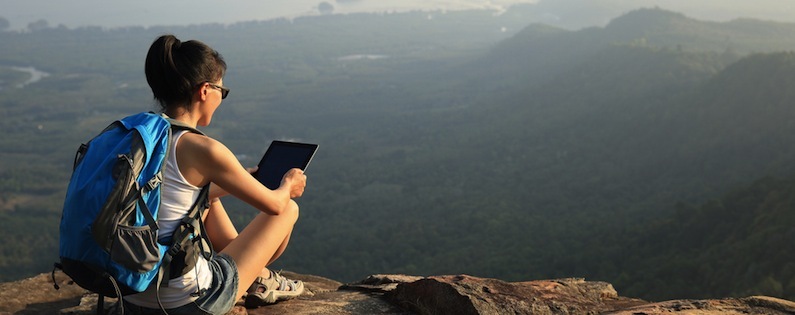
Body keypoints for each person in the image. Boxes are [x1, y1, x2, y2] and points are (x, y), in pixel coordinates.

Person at [121, 34, 307, 314]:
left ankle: (260, 278)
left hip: (132, 294)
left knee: (207, 196)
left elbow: (174, 195)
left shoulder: (141, 138)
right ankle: (261, 278)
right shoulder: (203, 149)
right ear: (205, 90)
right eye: (222, 90)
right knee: (288, 209)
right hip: (187, 302)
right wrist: (289, 185)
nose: (222, 97)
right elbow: (275, 205)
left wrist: (235, 180)